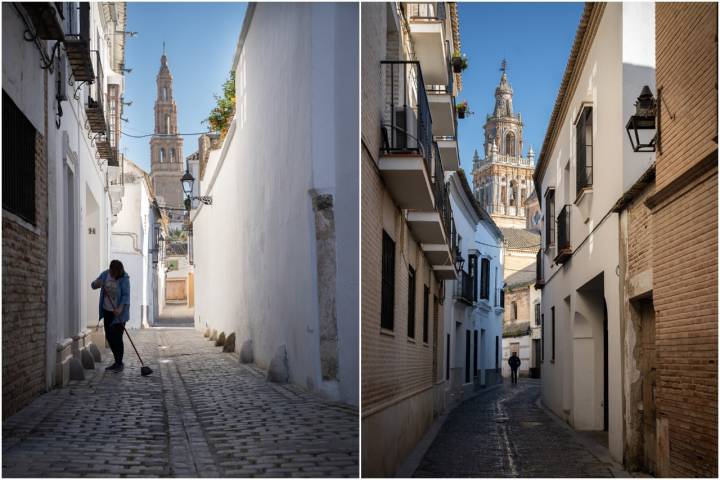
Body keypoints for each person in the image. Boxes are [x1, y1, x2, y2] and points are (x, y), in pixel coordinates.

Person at [91, 260, 130, 372]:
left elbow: (126, 295)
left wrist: (120, 308)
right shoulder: (105, 275)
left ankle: (119, 363)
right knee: (109, 337)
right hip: (107, 310)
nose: (116, 275)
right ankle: (116, 361)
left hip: (119, 314)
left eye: (118, 272)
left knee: (117, 338)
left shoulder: (124, 278)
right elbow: (93, 285)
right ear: (111, 270)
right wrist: (97, 283)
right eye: (114, 272)